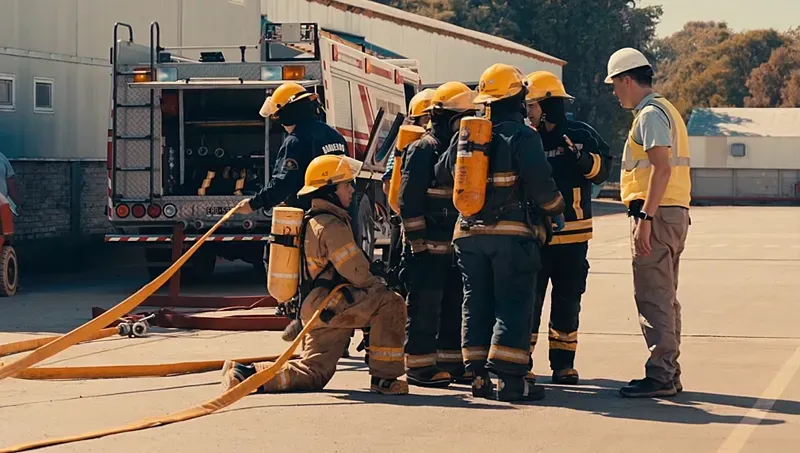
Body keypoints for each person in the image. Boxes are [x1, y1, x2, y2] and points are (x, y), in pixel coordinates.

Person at [222, 154, 409, 395]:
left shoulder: (313, 220)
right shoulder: (332, 226)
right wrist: (382, 284)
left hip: (319, 307)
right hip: (334, 305)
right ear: (329, 189)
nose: (352, 190)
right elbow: (357, 273)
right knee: (390, 301)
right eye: (345, 185)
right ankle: (385, 378)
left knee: (314, 372)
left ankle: (246, 374)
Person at [436, 64, 565, 402]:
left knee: (475, 302)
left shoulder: (467, 135)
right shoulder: (523, 135)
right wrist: (555, 209)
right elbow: (540, 182)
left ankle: (478, 377)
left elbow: (442, 172)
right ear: (517, 97)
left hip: (467, 235)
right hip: (510, 236)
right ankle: (510, 382)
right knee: (512, 301)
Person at [605, 48, 692, 398]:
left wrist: (645, 218)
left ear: (628, 80)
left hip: (657, 214)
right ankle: (667, 371)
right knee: (665, 296)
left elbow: (662, 167)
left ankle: (661, 375)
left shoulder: (650, 115)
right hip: (672, 212)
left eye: (615, 84)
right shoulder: (665, 109)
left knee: (654, 297)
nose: (614, 93)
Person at [524, 71, 611, 385]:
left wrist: (582, 158)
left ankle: (563, 364)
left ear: (548, 106)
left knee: (567, 301)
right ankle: (523, 363)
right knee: (529, 301)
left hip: (573, 238)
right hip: (535, 236)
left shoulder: (579, 132)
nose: (527, 112)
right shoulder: (525, 137)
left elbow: (603, 170)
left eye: (531, 106)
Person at [398, 82, 477, 387]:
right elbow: (408, 201)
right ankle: (419, 366)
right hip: (426, 248)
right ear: (444, 118)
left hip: (453, 245)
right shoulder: (423, 149)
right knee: (425, 307)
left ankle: (450, 362)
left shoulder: (461, 153)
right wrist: (417, 243)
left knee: (452, 305)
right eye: (462, 119)